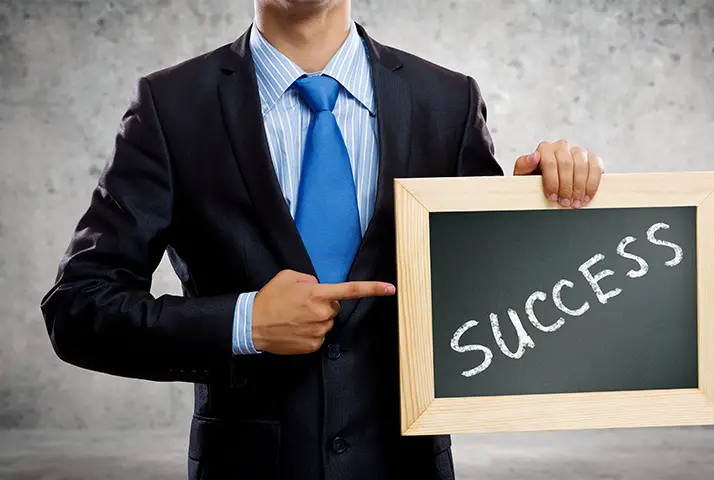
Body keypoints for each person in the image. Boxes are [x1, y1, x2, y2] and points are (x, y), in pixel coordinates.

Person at [40, 0, 605, 478]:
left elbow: (493, 298)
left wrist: (537, 212)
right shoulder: (171, 106)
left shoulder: (448, 101)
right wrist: (245, 322)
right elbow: (78, 307)